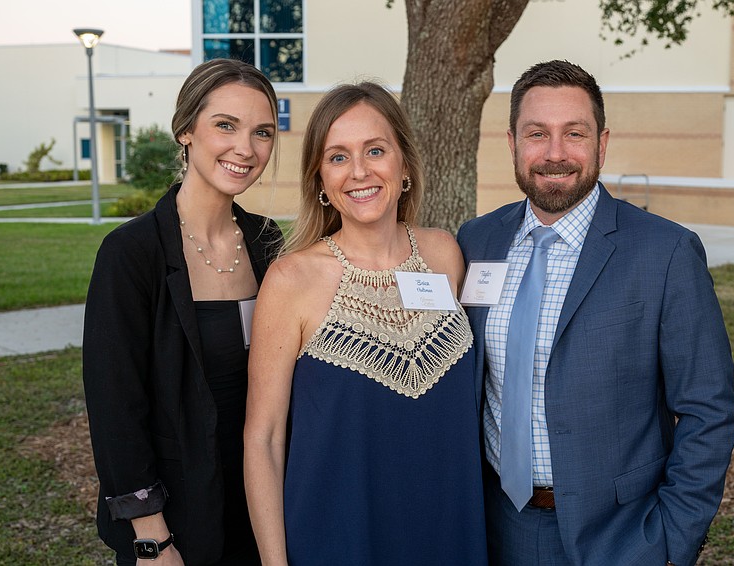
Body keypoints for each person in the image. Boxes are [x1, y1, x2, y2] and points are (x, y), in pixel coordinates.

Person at [456, 60, 734, 566]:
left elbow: (708, 410)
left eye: (575, 133)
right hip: (494, 525)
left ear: (602, 144)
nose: (555, 153)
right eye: (537, 133)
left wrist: (672, 539)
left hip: (624, 537)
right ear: (512, 143)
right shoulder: (477, 242)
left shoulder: (665, 253)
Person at [243, 81, 487, 565]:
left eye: (375, 150)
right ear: (320, 180)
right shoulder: (292, 279)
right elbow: (263, 438)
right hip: (338, 536)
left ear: (403, 165)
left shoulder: (445, 254)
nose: (359, 172)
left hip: (449, 530)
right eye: (337, 157)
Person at [83, 58, 283, 565]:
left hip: (263, 503)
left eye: (262, 132)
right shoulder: (131, 253)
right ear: (185, 131)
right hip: (176, 519)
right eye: (225, 126)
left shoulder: (268, 242)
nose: (246, 148)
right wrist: (153, 539)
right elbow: (115, 410)